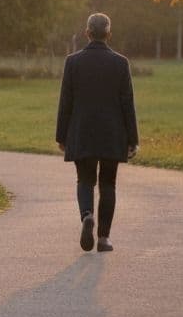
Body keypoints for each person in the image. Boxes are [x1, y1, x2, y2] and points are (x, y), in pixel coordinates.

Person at [55, 13, 139, 252]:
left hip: (82, 131)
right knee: (108, 184)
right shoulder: (121, 63)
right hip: (113, 133)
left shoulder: (73, 62)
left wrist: (62, 136)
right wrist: (132, 139)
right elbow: (127, 104)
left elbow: (66, 102)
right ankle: (103, 239)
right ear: (109, 34)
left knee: (85, 180)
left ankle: (86, 215)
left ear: (87, 33)